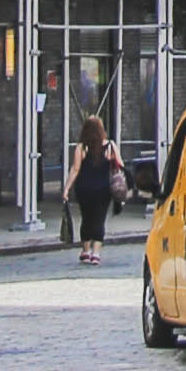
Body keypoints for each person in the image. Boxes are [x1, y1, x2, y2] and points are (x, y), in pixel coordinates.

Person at [66, 110, 124, 267]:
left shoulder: (81, 147)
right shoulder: (110, 146)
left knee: (86, 218)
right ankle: (96, 253)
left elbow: (75, 169)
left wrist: (66, 189)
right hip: (103, 189)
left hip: (84, 189)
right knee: (99, 219)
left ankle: (85, 251)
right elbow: (121, 165)